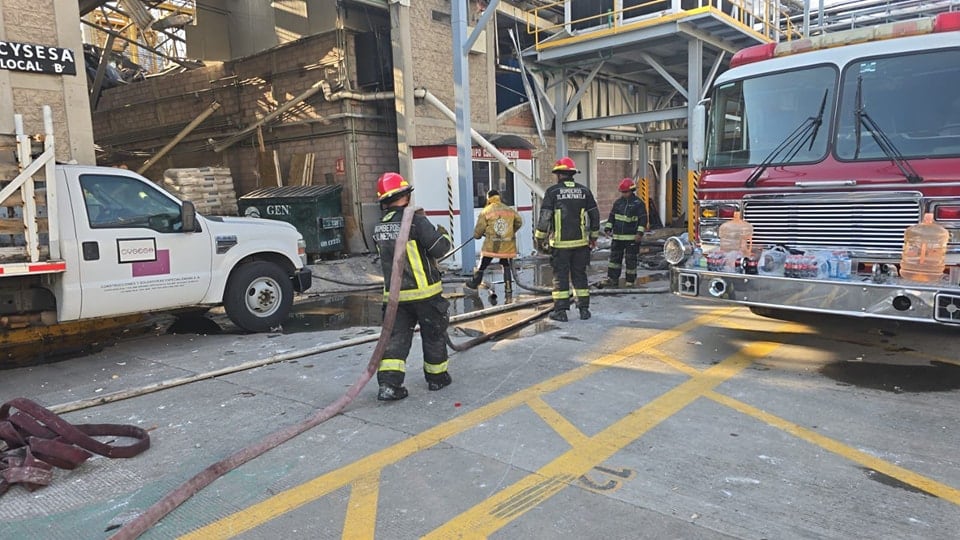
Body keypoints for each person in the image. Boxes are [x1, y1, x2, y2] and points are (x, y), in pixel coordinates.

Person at [371, 172, 453, 401]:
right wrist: (442, 234)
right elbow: (439, 249)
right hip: (426, 295)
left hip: (395, 298)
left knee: (395, 339)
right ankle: (437, 379)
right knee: (433, 335)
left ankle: (389, 385)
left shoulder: (378, 227)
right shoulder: (416, 220)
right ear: (405, 195)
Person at [534, 156, 600, 322]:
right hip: (581, 244)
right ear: (572, 174)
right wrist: (593, 236)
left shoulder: (552, 192)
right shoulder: (584, 191)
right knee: (580, 275)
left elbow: (545, 217)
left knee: (560, 277)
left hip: (560, 245)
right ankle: (584, 310)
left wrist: (539, 238)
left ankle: (561, 312)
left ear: (558, 174)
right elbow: (595, 215)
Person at [466, 189, 523, 296]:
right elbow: (519, 222)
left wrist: (477, 235)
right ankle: (508, 287)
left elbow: (480, 228)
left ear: (488, 198)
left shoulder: (486, 211)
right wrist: (510, 232)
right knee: (506, 264)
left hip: (492, 244)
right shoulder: (509, 209)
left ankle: (475, 283)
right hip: (507, 243)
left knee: (483, 263)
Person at [601, 178, 648, 288]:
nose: (624, 194)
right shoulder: (618, 203)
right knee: (614, 260)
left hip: (632, 238)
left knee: (630, 260)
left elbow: (643, 220)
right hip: (618, 238)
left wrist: (639, 233)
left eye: (626, 192)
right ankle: (612, 279)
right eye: (622, 192)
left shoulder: (638, 204)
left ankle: (630, 281)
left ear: (631, 191)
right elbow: (612, 217)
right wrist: (608, 228)